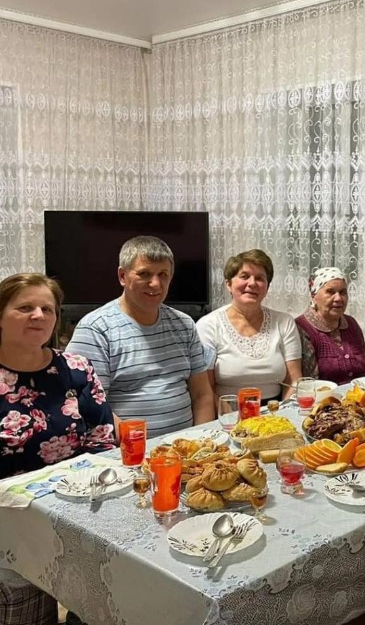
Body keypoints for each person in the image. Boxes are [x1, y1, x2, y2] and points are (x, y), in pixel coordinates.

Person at [0, 273, 116, 625]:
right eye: (25, 308)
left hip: (77, 512)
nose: (38, 315)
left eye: (47, 309)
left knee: (100, 605)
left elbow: (102, 439)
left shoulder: (76, 369)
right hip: (8, 525)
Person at [66, 236, 214, 438]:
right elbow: (91, 405)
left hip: (186, 447)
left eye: (163, 274)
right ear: (122, 276)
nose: (155, 283)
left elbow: (202, 395)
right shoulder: (95, 329)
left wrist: (201, 439)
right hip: (127, 449)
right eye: (144, 274)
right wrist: (141, 446)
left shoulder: (184, 324)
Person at [196, 249, 301, 404]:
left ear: (267, 287)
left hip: (275, 410)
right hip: (226, 411)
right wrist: (229, 415)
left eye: (260, 278)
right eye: (244, 276)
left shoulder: (284, 322)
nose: (252, 283)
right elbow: (206, 388)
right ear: (228, 284)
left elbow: (294, 380)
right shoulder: (208, 326)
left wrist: (283, 412)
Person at [295, 267, 365, 384]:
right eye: (330, 292)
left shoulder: (351, 323)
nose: (338, 298)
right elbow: (308, 383)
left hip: (360, 393)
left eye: (343, 292)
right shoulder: (301, 328)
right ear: (314, 295)